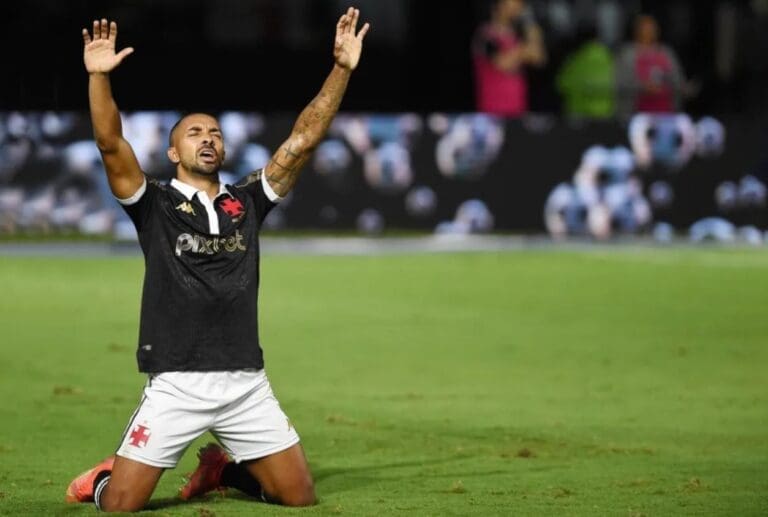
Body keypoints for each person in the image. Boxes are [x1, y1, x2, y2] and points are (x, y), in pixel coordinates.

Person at [65, 9, 369, 512]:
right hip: (177, 382)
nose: (208, 138)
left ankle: (221, 471)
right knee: (119, 505)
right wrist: (99, 76)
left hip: (245, 382)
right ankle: (104, 477)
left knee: (299, 497)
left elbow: (304, 139)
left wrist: (342, 68)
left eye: (215, 133)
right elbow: (109, 143)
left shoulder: (247, 200)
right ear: (173, 151)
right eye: (195, 133)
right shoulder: (154, 204)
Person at [472, 0, 547, 117]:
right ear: (498, 6)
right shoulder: (485, 36)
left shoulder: (517, 34)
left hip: (518, 108)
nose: (518, 6)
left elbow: (539, 58)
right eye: (513, 2)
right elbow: (503, 64)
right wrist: (525, 50)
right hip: (493, 110)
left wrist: (529, 23)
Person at [616, 15, 687, 119]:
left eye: (653, 28)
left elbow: (677, 79)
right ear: (637, 30)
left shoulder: (666, 52)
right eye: (646, 28)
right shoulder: (628, 54)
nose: (650, 32)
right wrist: (643, 87)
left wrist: (680, 87)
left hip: (666, 113)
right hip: (636, 115)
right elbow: (620, 83)